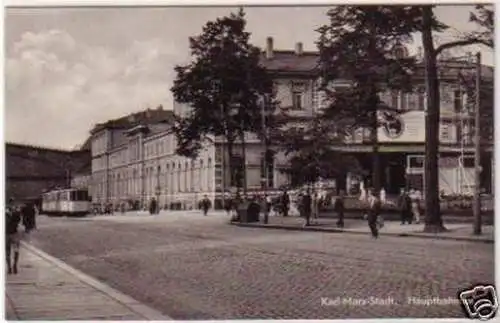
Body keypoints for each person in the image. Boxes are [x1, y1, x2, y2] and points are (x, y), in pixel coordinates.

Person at [6, 198, 23, 274]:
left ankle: (13, 266)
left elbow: (18, 220)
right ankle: (10, 267)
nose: (12, 205)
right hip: (9, 234)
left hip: (11, 233)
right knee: (9, 251)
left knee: (14, 251)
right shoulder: (6, 212)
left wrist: (16, 213)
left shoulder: (16, 212)